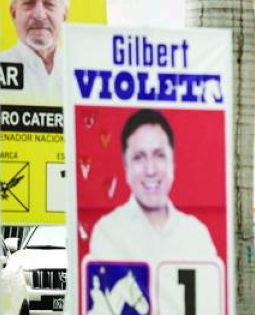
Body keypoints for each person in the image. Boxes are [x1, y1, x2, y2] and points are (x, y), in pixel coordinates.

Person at [88, 109, 218, 264]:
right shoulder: (108, 231)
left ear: (172, 162)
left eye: (159, 155)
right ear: (125, 166)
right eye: (138, 157)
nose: (150, 170)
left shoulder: (196, 234)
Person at [0, 0, 70, 102]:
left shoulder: (80, 72)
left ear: (64, 15)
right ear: (13, 13)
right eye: (29, 3)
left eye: (49, 4)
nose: (39, 15)